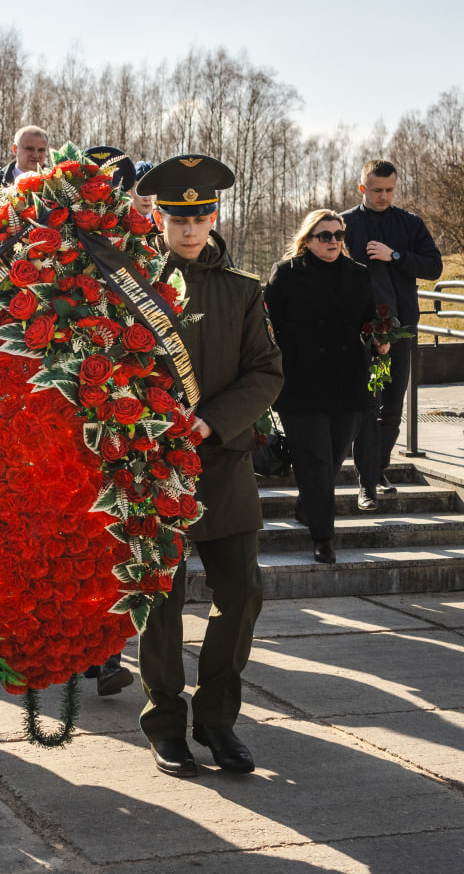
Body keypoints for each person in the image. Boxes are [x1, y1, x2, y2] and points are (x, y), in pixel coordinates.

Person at [133, 154, 283, 778]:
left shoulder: (243, 290)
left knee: (242, 593)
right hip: (151, 468)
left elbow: (266, 373)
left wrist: (211, 420)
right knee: (160, 603)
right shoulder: (131, 287)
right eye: (178, 218)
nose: (190, 228)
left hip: (222, 463)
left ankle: (217, 719)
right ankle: (166, 724)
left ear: (214, 216)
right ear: (158, 219)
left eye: (199, 217)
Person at [265, 210, 384, 564]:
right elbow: (266, 323)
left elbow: (369, 318)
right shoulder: (286, 273)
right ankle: (324, 537)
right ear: (307, 240)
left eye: (338, 235)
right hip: (301, 381)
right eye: (325, 235)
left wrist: (381, 337)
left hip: (348, 379)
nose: (333, 241)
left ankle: (307, 505)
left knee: (333, 456)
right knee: (315, 458)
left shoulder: (358, 273)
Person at [341, 159, 442, 510]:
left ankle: (376, 470)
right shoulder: (344, 225)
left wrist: (395, 255)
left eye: (389, 190)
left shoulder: (409, 223)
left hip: (401, 332)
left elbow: (434, 266)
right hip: (362, 336)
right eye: (376, 190)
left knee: (392, 408)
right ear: (362, 188)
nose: (383, 196)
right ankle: (368, 481)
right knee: (368, 406)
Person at [0, 125, 50, 213]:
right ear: (15, 149)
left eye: (41, 150)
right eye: (30, 149)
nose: (36, 155)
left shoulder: (55, 186)